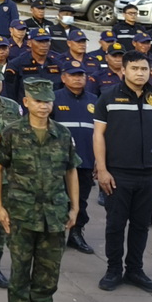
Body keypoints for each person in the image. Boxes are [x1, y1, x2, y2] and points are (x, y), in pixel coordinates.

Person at [0, 78, 80, 302]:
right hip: (21, 210)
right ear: (27, 102)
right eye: (38, 101)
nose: (44, 106)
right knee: (20, 264)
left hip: (54, 212)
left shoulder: (62, 134)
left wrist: (74, 207)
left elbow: (71, 170)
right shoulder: (12, 132)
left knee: (49, 266)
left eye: (48, 101)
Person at [92, 52, 152, 295]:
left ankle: (135, 269)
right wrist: (102, 170)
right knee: (115, 224)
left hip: (150, 174)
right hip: (118, 174)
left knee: (141, 225)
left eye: (144, 69)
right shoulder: (109, 97)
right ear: (123, 70)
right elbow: (98, 135)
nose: (140, 73)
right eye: (134, 68)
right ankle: (113, 269)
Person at [52, 66, 99, 254]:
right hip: (59, 161)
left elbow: (101, 133)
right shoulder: (54, 98)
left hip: (85, 159)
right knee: (57, 198)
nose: (78, 79)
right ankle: (55, 235)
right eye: (73, 75)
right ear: (64, 78)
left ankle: (76, 233)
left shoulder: (94, 100)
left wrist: (99, 160)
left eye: (81, 75)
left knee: (81, 200)